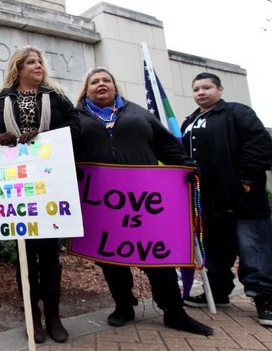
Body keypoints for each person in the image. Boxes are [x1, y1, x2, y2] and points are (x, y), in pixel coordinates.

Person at [74, 67, 213, 336]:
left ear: (115, 86)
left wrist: (185, 164)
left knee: (156, 257)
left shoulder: (138, 113)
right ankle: (124, 306)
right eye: (94, 81)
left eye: (106, 80)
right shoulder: (76, 118)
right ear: (86, 89)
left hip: (142, 202)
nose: (101, 84)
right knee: (111, 258)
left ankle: (174, 311)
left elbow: (166, 144)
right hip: (102, 203)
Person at [0, 45, 79, 343]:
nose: (39, 66)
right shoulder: (0, 99)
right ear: (18, 68)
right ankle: (31, 316)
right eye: (32, 62)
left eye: (40, 62)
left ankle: (53, 315)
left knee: (49, 252)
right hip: (16, 186)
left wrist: (47, 139)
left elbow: (77, 126)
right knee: (25, 252)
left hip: (50, 182)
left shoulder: (56, 96)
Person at [181, 72, 272, 325]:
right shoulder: (189, 122)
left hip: (243, 200)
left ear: (219, 90)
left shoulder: (237, 113)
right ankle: (219, 293)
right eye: (196, 88)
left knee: (254, 251)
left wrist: (244, 178)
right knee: (216, 251)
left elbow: (261, 144)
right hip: (209, 202)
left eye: (207, 87)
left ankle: (266, 299)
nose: (201, 92)